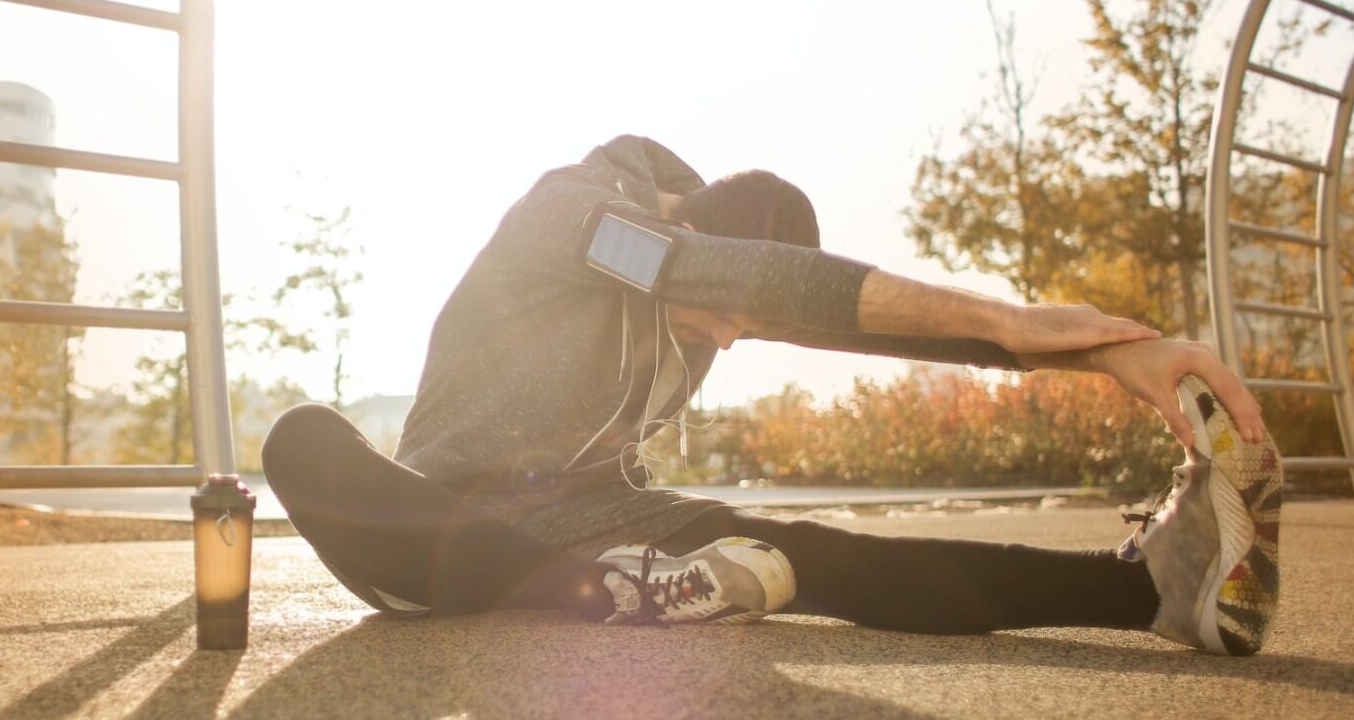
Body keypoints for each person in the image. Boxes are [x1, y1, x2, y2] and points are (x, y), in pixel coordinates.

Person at [262, 136, 1281, 656]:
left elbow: (842, 318)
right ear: (686, 232)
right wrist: (1015, 322)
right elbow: (720, 277)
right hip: (429, 534)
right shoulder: (582, 220)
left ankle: (1152, 592)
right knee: (302, 440)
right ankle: (613, 594)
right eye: (728, 315)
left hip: (601, 526)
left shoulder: (703, 285)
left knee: (812, 552)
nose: (729, 339)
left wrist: (1098, 355)